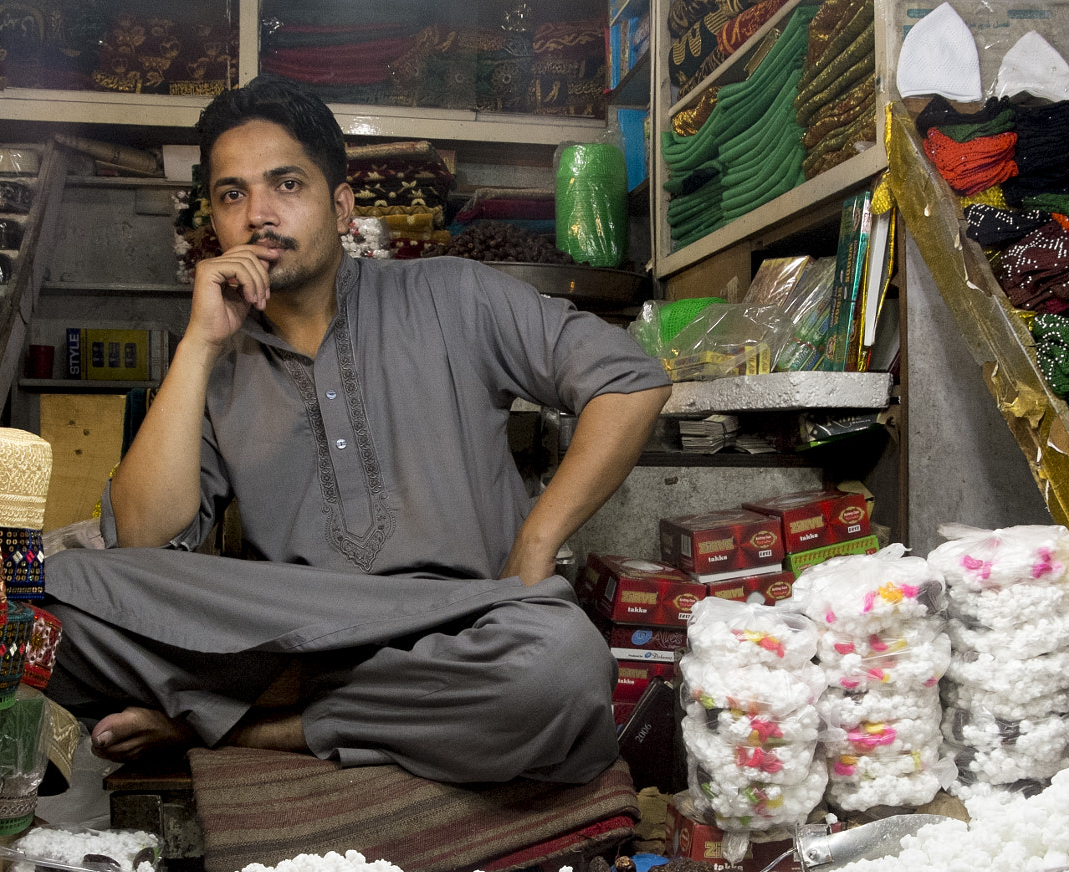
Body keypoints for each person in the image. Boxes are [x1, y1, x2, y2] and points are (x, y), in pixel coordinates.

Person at [40, 75, 672, 786]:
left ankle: (242, 729)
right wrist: (198, 344)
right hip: (294, 636)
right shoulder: (215, 365)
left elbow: (629, 379)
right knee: (56, 597)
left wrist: (533, 541)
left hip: (465, 626)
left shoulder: (453, 294)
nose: (258, 216)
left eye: (285, 184)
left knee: (558, 665)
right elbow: (141, 543)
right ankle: (352, 711)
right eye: (231, 195)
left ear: (340, 206)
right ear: (211, 224)